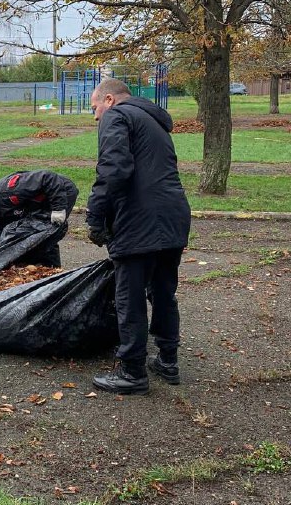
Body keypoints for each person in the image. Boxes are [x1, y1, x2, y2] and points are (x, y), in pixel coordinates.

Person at [86, 79, 190, 395]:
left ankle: (132, 372)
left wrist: (95, 215)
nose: (94, 117)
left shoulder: (117, 116)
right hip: (173, 217)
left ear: (109, 99)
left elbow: (114, 169)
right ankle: (168, 361)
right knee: (162, 291)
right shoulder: (154, 120)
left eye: (94, 108)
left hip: (138, 219)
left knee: (129, 296)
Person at [0, 169, 79, 266]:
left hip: (60, 193)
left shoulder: (10, 189)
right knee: (37, 236)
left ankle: (47, 269)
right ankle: (49, 268)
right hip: (40, 203)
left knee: (40, 234)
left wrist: (58, 209)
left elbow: (48, 177)